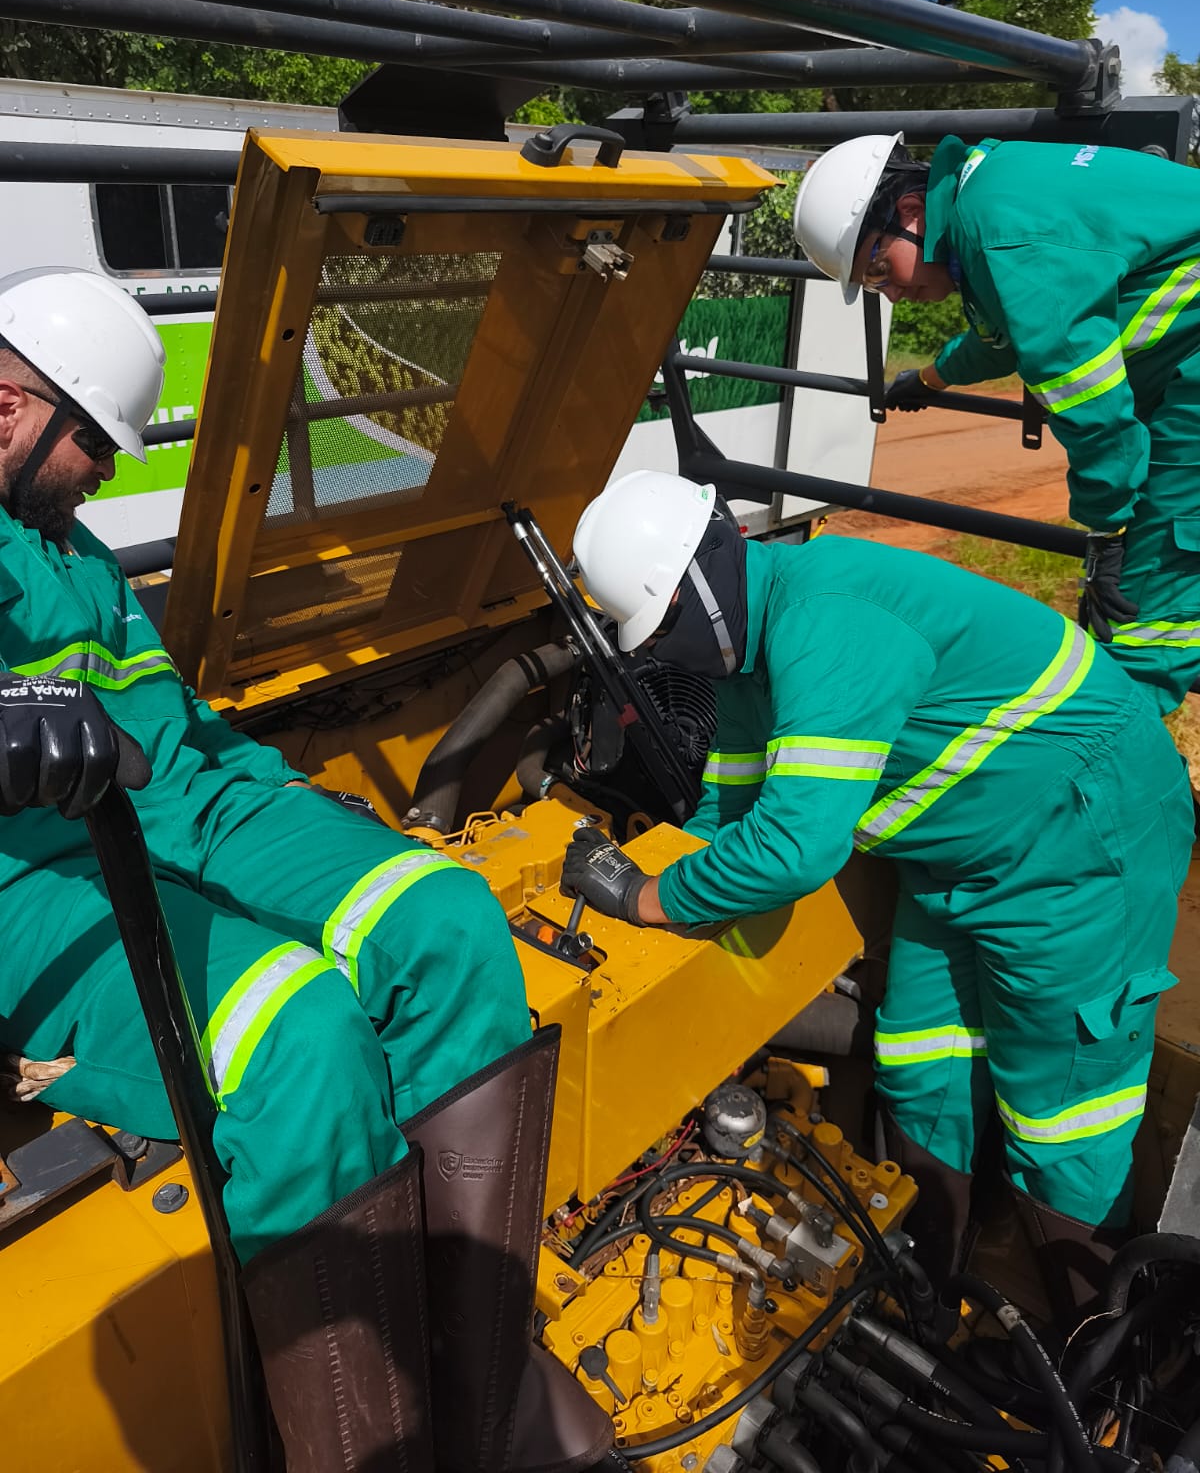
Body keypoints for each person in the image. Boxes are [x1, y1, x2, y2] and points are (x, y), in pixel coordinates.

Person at [0, 267, 610, 1473]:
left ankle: (470, 1389)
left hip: (178, 805)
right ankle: (365, 1441)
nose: (111, 477)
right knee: (297, 1033)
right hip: (27, 878)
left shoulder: (68, 553)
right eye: (96, 448)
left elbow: (168, 726)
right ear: (13, 411)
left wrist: (275, 786)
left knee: (444, 921)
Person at [564, 469, 1191, 1322]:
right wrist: (654, 903)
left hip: (1082, 834)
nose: (660, 653)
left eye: (660, 628)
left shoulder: (828, 622)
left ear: (705, 578)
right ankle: (926, 1294)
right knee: (921, 1060)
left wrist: (644, 896)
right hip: (961, 857)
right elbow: (729, 808)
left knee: (1062, 1115)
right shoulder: (749, 652)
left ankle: (1096, 1356)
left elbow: (794, 845)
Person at [791, 130, 1200, 717]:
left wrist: (1107, 531)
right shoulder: (984, 194)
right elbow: (1003, 334)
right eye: (876, 286)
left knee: (1148, 586)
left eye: (879, 267)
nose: (894, 294)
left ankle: (1117, 742)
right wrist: (930, 378)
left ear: (909, 212)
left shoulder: (1004, 236)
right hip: (1184, 360)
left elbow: (1093, 408)